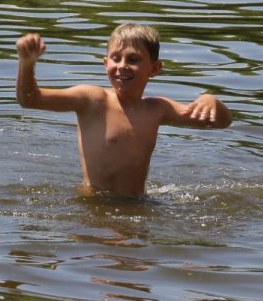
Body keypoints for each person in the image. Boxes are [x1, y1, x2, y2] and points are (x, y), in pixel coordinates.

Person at [15, 23, 232, 197]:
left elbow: (221, 122)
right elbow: (30, 100)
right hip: (93, 202)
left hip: (138, 204)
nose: (122, 66)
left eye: (133, 59)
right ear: (105, 63)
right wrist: (27, 64)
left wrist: (211, 100)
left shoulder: (157, 109)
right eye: (115, 58)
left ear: (155, 68)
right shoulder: (92, 99)